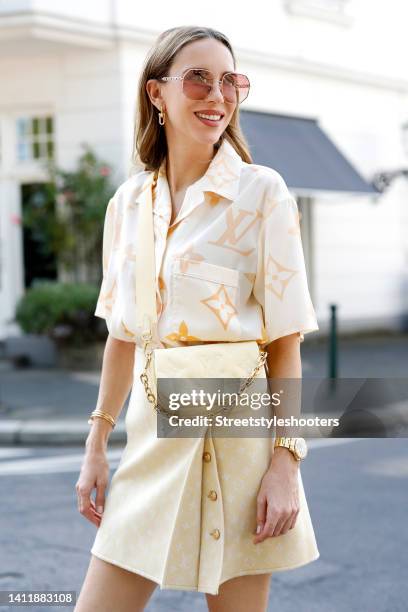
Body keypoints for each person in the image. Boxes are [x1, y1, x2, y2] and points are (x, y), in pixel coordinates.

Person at [74, 25, 320, 612]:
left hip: (242, 446)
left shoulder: (263, 194)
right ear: (156, 93)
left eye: (230, 80)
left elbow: (285, 342)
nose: (218, 95)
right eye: (198, 79)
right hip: (153, 439)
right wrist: (97, 443)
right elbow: (122, 335)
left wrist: (285, 463)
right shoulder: (127, 205)